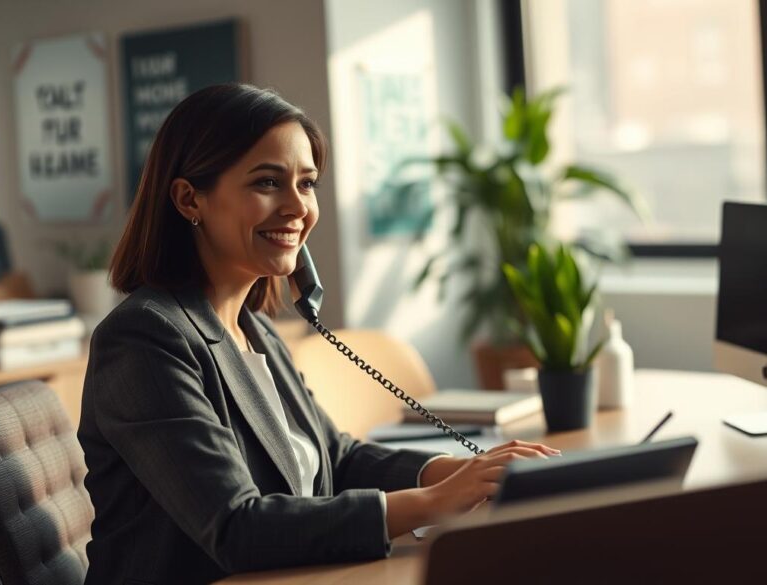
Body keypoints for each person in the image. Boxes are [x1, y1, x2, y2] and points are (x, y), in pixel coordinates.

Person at [77, 83, 559, 584]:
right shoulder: (144, 338)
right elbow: (237, 528)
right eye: (267, 183)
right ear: (188, 199)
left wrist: (461, 472)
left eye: (307, 184)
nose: (297, 207)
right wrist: (433, 503)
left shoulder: (254, 331)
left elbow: (336, 458)